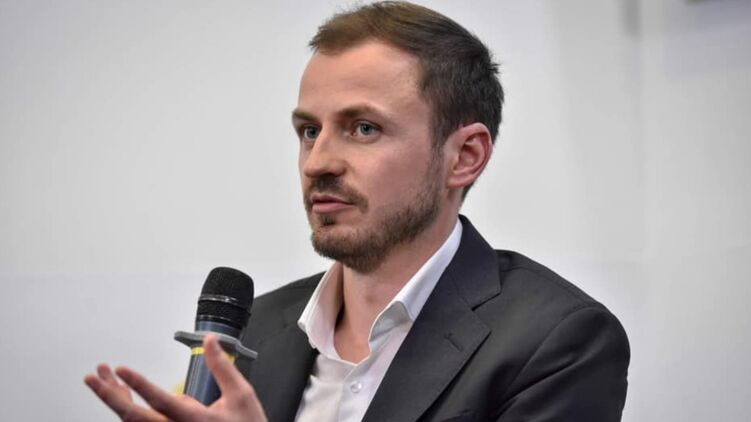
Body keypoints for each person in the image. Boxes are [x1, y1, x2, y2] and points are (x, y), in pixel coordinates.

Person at [85, 2, 630, 421]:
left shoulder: (557, 342)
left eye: (364, 128)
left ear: (464, 156)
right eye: (309, 131)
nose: (317, 162)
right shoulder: (261, 327)